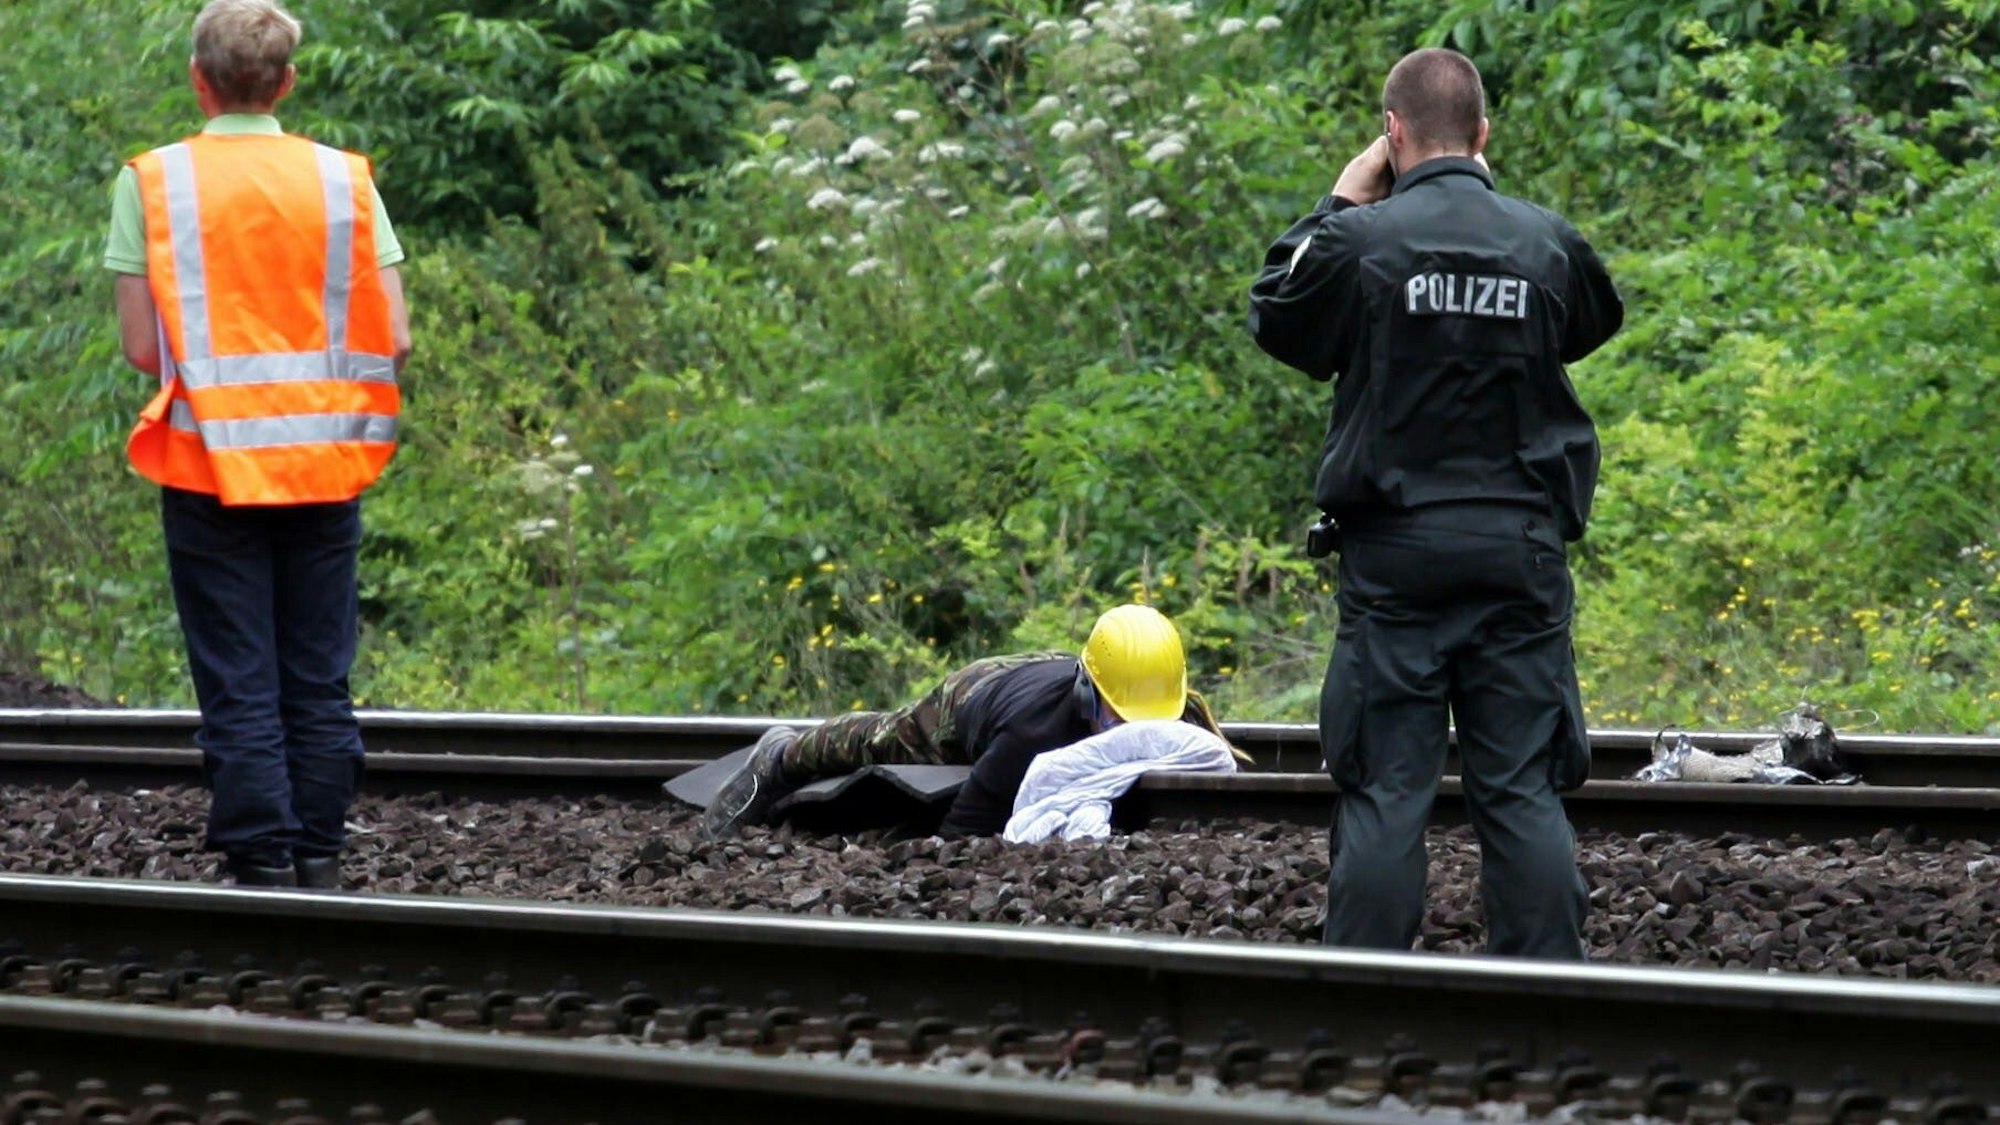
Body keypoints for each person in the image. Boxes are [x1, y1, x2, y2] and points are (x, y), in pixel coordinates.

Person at [1245, 48, 1623, 959]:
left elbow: (1275, 312)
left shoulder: (1359, 244)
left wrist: (1340, 202)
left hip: (1397, 561)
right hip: (1519, 554)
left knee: (1384, 790)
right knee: (1523, 787)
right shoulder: (1546, 241)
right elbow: (1594, 321)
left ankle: (1366, 1007)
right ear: (1485, 135)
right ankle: (1552, 1007)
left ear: (1392, 134)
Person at [106, 0, 413, 889]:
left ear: (199, 81)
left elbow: (138, 348)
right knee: (317, 671)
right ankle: (318, 845)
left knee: (239, 671)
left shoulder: (154, 181)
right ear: (287, 81)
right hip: (326, 457)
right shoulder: (343, 180)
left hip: (208, 462)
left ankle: (260, 854)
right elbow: (392, 335)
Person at [700, 604, 1235, 840]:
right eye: (1115, 716)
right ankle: (781, 756)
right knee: (879, 739)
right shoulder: (1029, 737)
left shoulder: (1166, 703)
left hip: (1040, 671)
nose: (1129, 732)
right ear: (1085, 691)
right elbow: (964, 832)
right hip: (977, 695)